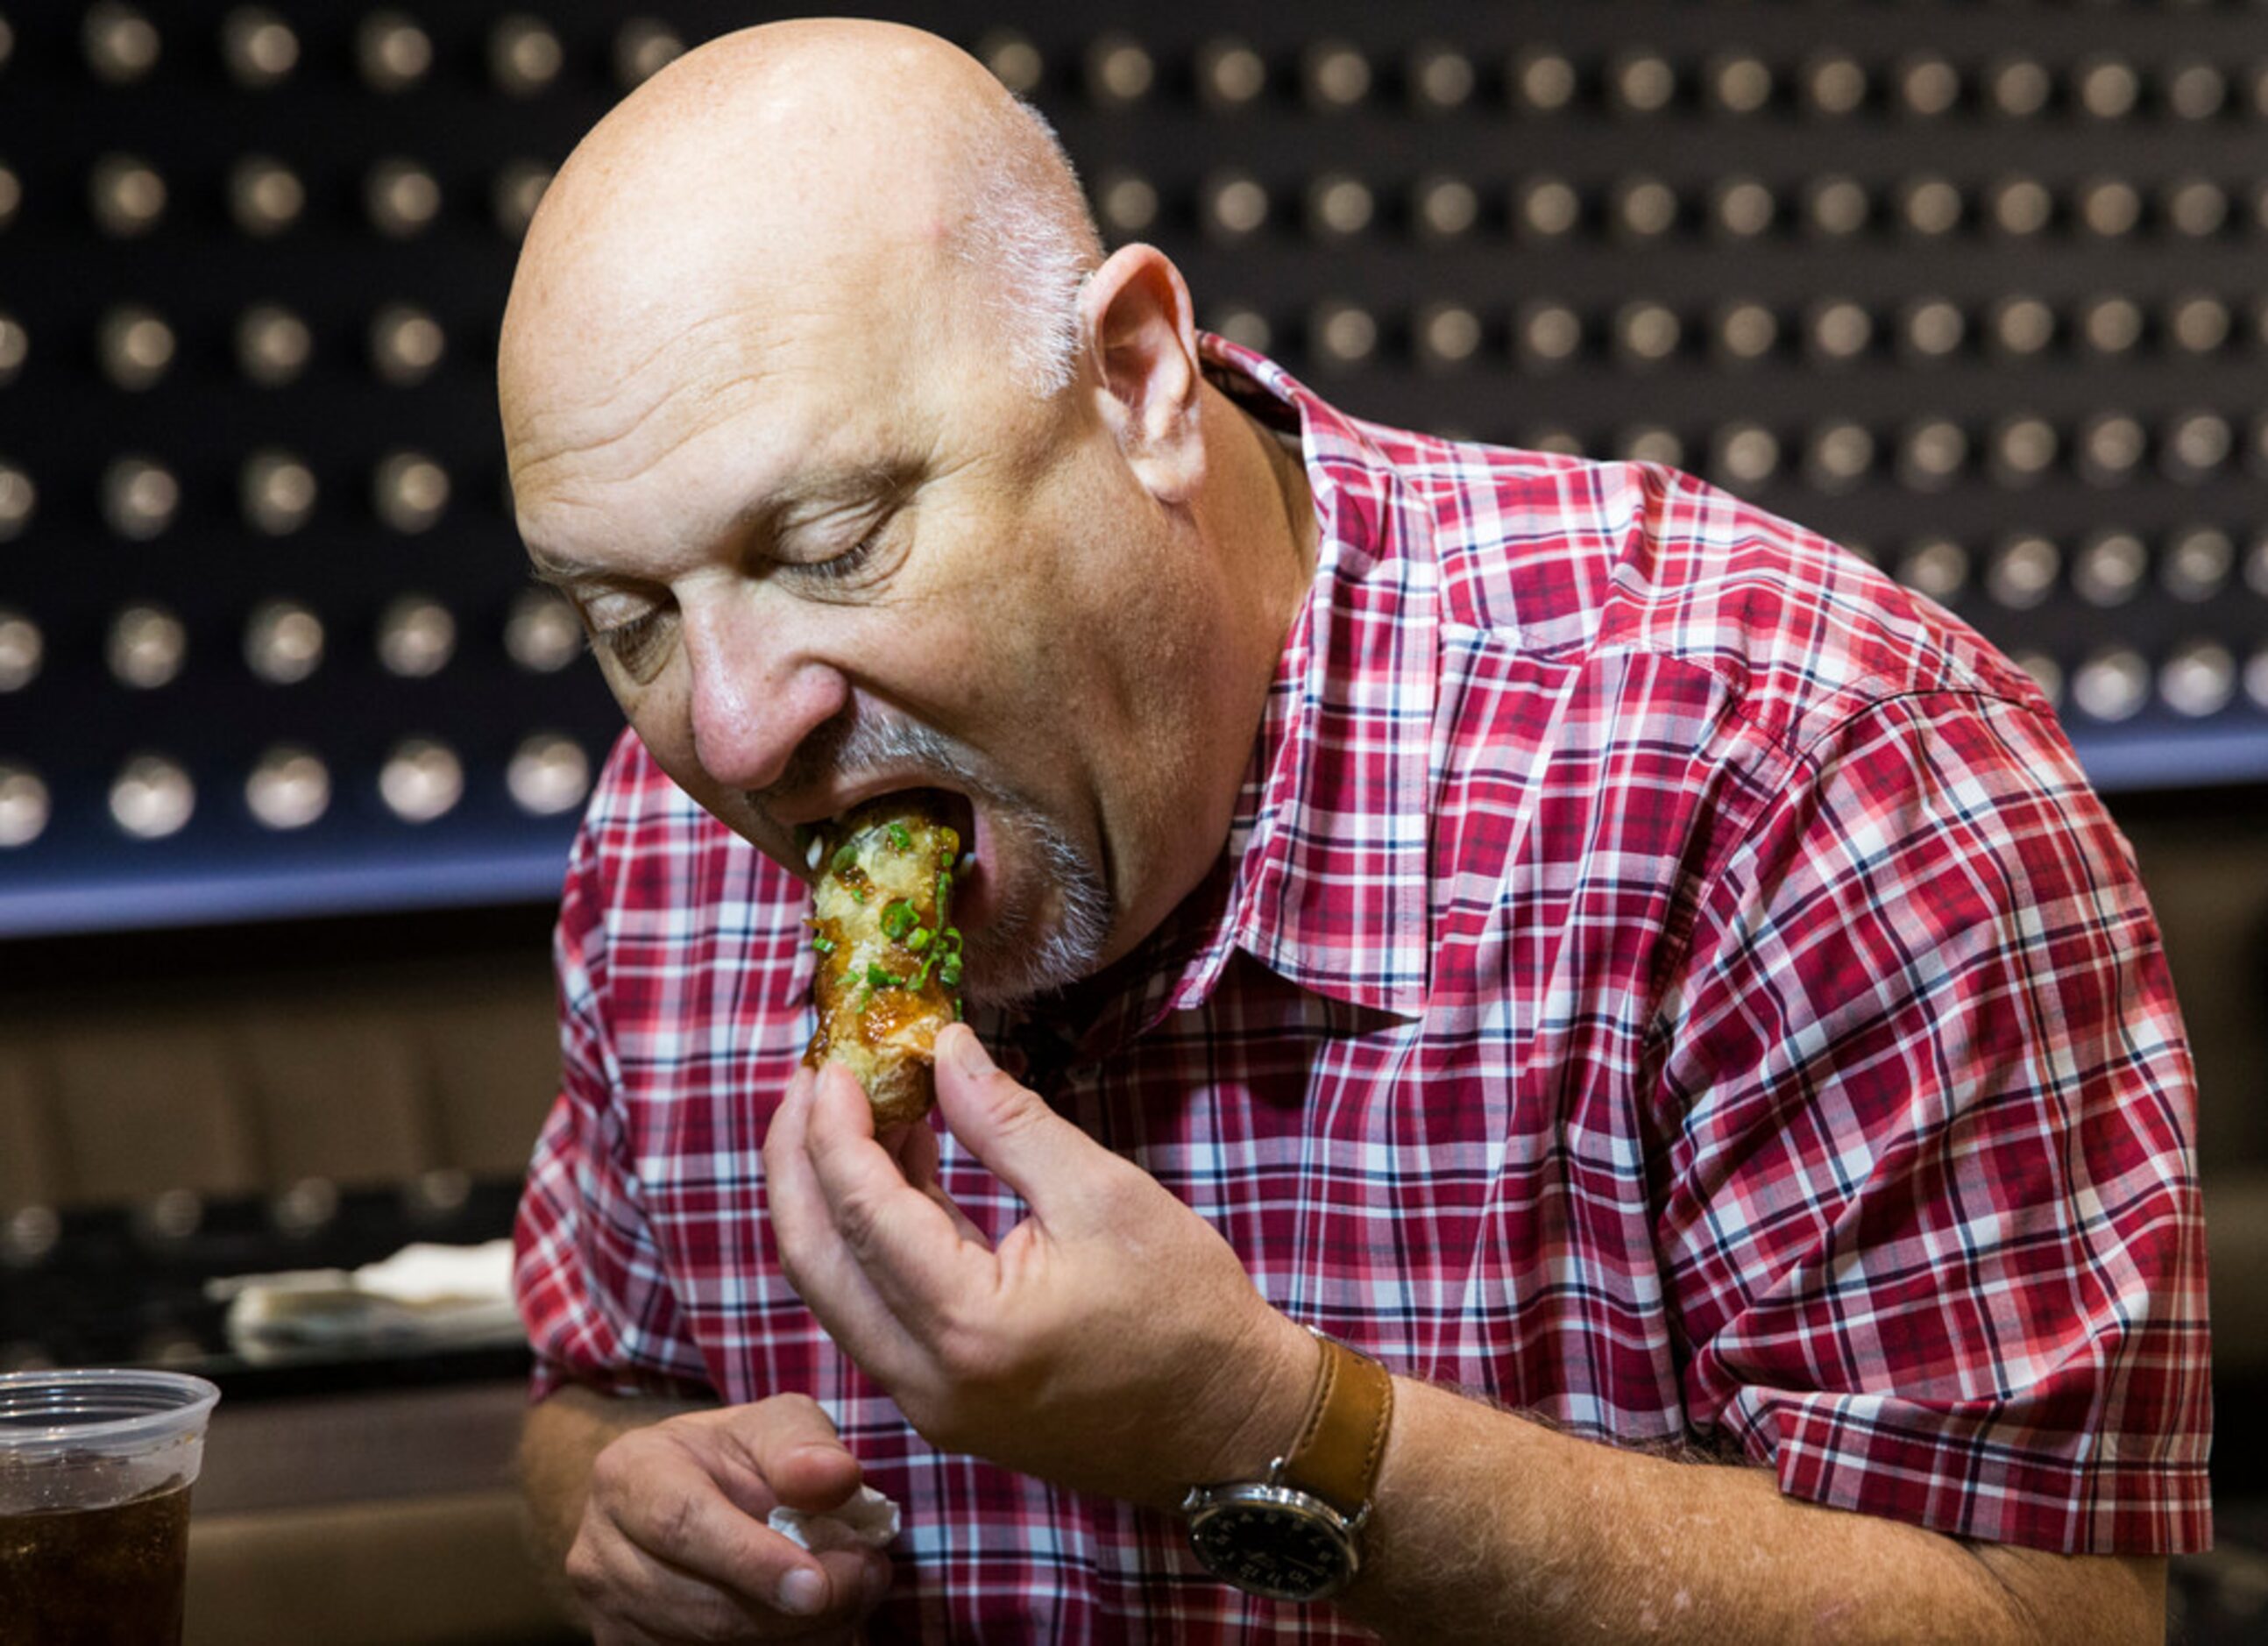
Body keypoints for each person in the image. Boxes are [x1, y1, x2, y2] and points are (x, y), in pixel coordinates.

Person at [497, 18, 2209, 1643]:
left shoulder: (1795, 766)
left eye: (832, 540)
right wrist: (638, 1508)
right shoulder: (665, 848)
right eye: (629, 613)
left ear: (1136, 379)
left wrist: (1266, 1425)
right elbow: (604, 1387)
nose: (729, 729)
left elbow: (2039, 1615)